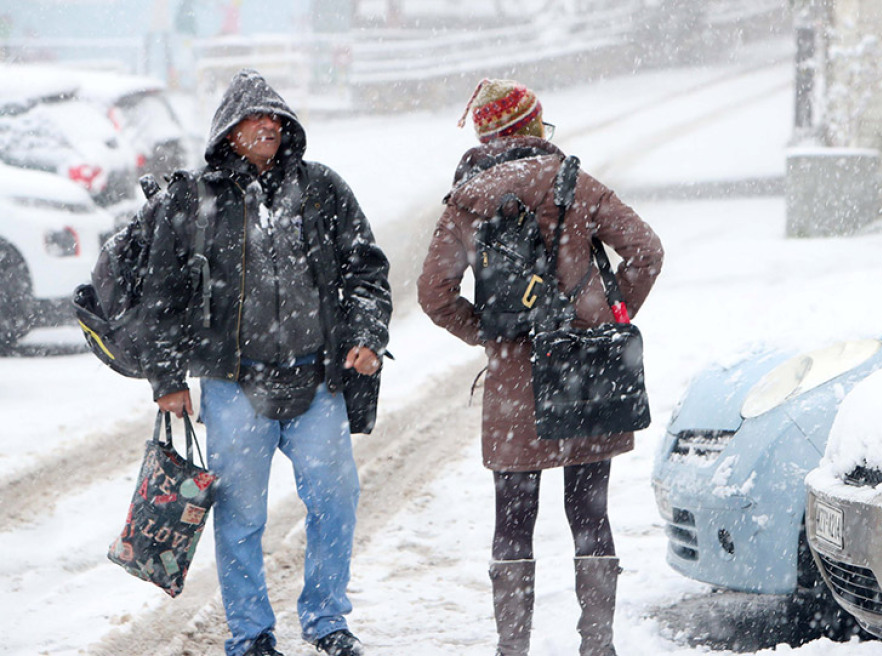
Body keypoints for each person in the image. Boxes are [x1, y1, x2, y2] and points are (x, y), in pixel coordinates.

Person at [141, 69, 392, 656]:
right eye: (257, 119)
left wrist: (367, 335)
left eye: (276, 119)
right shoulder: (196, 202)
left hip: (317, 380)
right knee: (240, 517)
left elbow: (366, 269)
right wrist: (168, 380)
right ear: (229, 131)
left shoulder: (323, 188)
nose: (270, 127)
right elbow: (162, 297)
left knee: (335, 500)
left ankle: (327, 621)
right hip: (233, 387)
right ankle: (251, 635)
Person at [417, 79, 664, 656]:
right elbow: (646, 250)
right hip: (584, 367)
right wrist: (610, 313)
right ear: (529, 128)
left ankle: (512, 649)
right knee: (590, 514)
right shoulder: (576, 184)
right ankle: (597, 645)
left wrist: (490, 335)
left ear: (487, 135)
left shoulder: (468, 198)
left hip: (514, 380)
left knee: (512, 519)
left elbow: (434, 293)